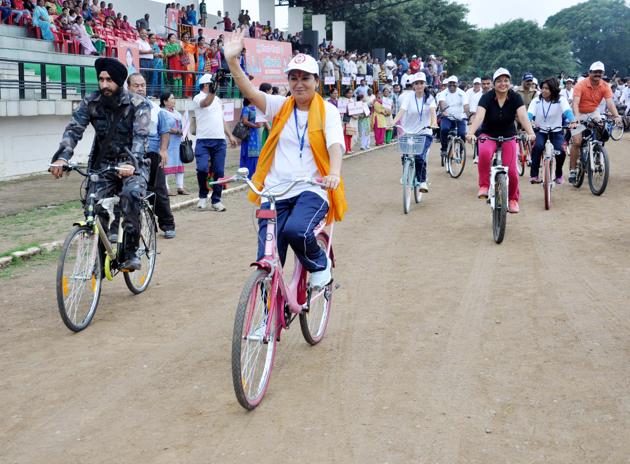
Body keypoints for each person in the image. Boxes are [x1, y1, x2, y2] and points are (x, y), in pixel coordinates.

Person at [224, 29, 347, 287]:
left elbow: (336, 145)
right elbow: (249, 91)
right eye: (294, 78)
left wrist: (334, 173)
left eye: (305, 78)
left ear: (316, 81)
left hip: (312, 189)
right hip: (275, 191)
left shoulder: (328, 112)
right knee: (268, 259)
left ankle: (319, 264)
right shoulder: (280, 106)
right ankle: (265, 322)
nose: (299, 83)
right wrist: (232, 61)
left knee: (296, 231)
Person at [50, 58, 151, 270]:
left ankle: (131, 252)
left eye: (109, 80)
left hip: (132, 163)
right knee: (93, 207)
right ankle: (100, 258)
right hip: (103, 163)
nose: (104, 84)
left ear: (120, 81)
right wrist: (62, 157)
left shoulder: (138, 104)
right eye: (101, 79)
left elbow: (141, 137)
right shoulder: (91, 101)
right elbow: (74, 129)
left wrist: (132, 163)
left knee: (131, 196)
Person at [467, 68, 536, 214]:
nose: (502, 84)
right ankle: (484, 185)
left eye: (506, 81)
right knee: (484, 154)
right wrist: (471, 132)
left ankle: (512, 199)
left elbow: (523, 116)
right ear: (494, 83)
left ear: (510, 83)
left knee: (511, 170)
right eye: (499, 81)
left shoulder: (516, 97)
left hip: (509, 135)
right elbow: (479, 117)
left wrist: (530, 132)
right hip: (488, 133)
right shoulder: (486, 97)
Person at [127, 73, 177, 239]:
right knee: (128, 192)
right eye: (136, 85)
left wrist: (163, 150)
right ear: (128, 87)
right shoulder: (123, 107)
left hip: (152, 154)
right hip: (129, 157)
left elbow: (164, 131)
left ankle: (167, 224)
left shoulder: (156, 109)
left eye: (143, 85)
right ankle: (126, 229)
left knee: (159, 191)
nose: (140, 88)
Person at [568, 61, 622, 184]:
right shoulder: (580, 85)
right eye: (595, 72)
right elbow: (575, 103)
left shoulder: (605, 86)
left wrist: (616, 116)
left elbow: (610, 103)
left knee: (602, 129)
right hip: (578, 112)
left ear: (603, 73)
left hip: (593, 112)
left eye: (600, 72)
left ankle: (597, 152)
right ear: (589, 73)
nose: (598, 74)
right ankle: (572, 170)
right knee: (577, 142)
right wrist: (576, 118)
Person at [193, 73, 238, 211]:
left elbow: (221, 119)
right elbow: (206, 103)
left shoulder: (217, 99)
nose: (216, 87)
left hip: (219, 141)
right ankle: (202, 196)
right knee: (202, 169)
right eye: (213, 84)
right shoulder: (197, 97)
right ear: (206, 85)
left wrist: (230, 135)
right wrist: (213, 90)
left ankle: (216, 200)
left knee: (218, 171)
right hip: (203, 141)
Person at [392, 72, 437, 193]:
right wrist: (393, 121)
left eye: (421, 83)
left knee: (419, 156)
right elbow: (402, 111)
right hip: (408, 131)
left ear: (425, 84)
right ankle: (406, 173)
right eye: (416, 83)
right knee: (405, 155)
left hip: (424, 131)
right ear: (413, 85)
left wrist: (434, 123)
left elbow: (433, 112)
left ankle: (422, 181)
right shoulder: (408, 97)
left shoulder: (430, 98)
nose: (419, 85)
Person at [527, 76, 576, 185]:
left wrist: (572, 121)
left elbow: (567, 111)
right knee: (538, 147)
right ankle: (534, 175)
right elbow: (529, 114)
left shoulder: (560, 100)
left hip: (556, 131)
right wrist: (528, 122)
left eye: (547, 88)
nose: (544, 90)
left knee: (561, 152)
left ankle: (558, 173)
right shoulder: (536, 101)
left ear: (553, 90)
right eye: (543, 88)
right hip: (540, 131)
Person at [438, 76, 468, 157]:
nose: (452, 85)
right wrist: (444, 111)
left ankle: (461, 151)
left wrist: (467, 114)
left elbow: (466, 105)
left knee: (462, 134)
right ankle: (444, 149)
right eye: (450, 83)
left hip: (459, 118)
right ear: (448, 84)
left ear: (457, 84)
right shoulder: (443, 93)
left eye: (454, 83)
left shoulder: (462, 93)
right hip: (447, 117)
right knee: (444, 129)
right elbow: (442, 102)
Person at [239, 98, 263, 179]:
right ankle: (247, 173)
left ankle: (254, 173)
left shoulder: (255, 108)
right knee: (249, 153)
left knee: (256, 153)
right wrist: (255, 126)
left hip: (255, 134)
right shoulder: (246, 109)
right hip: (249, 134)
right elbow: (245, 121)